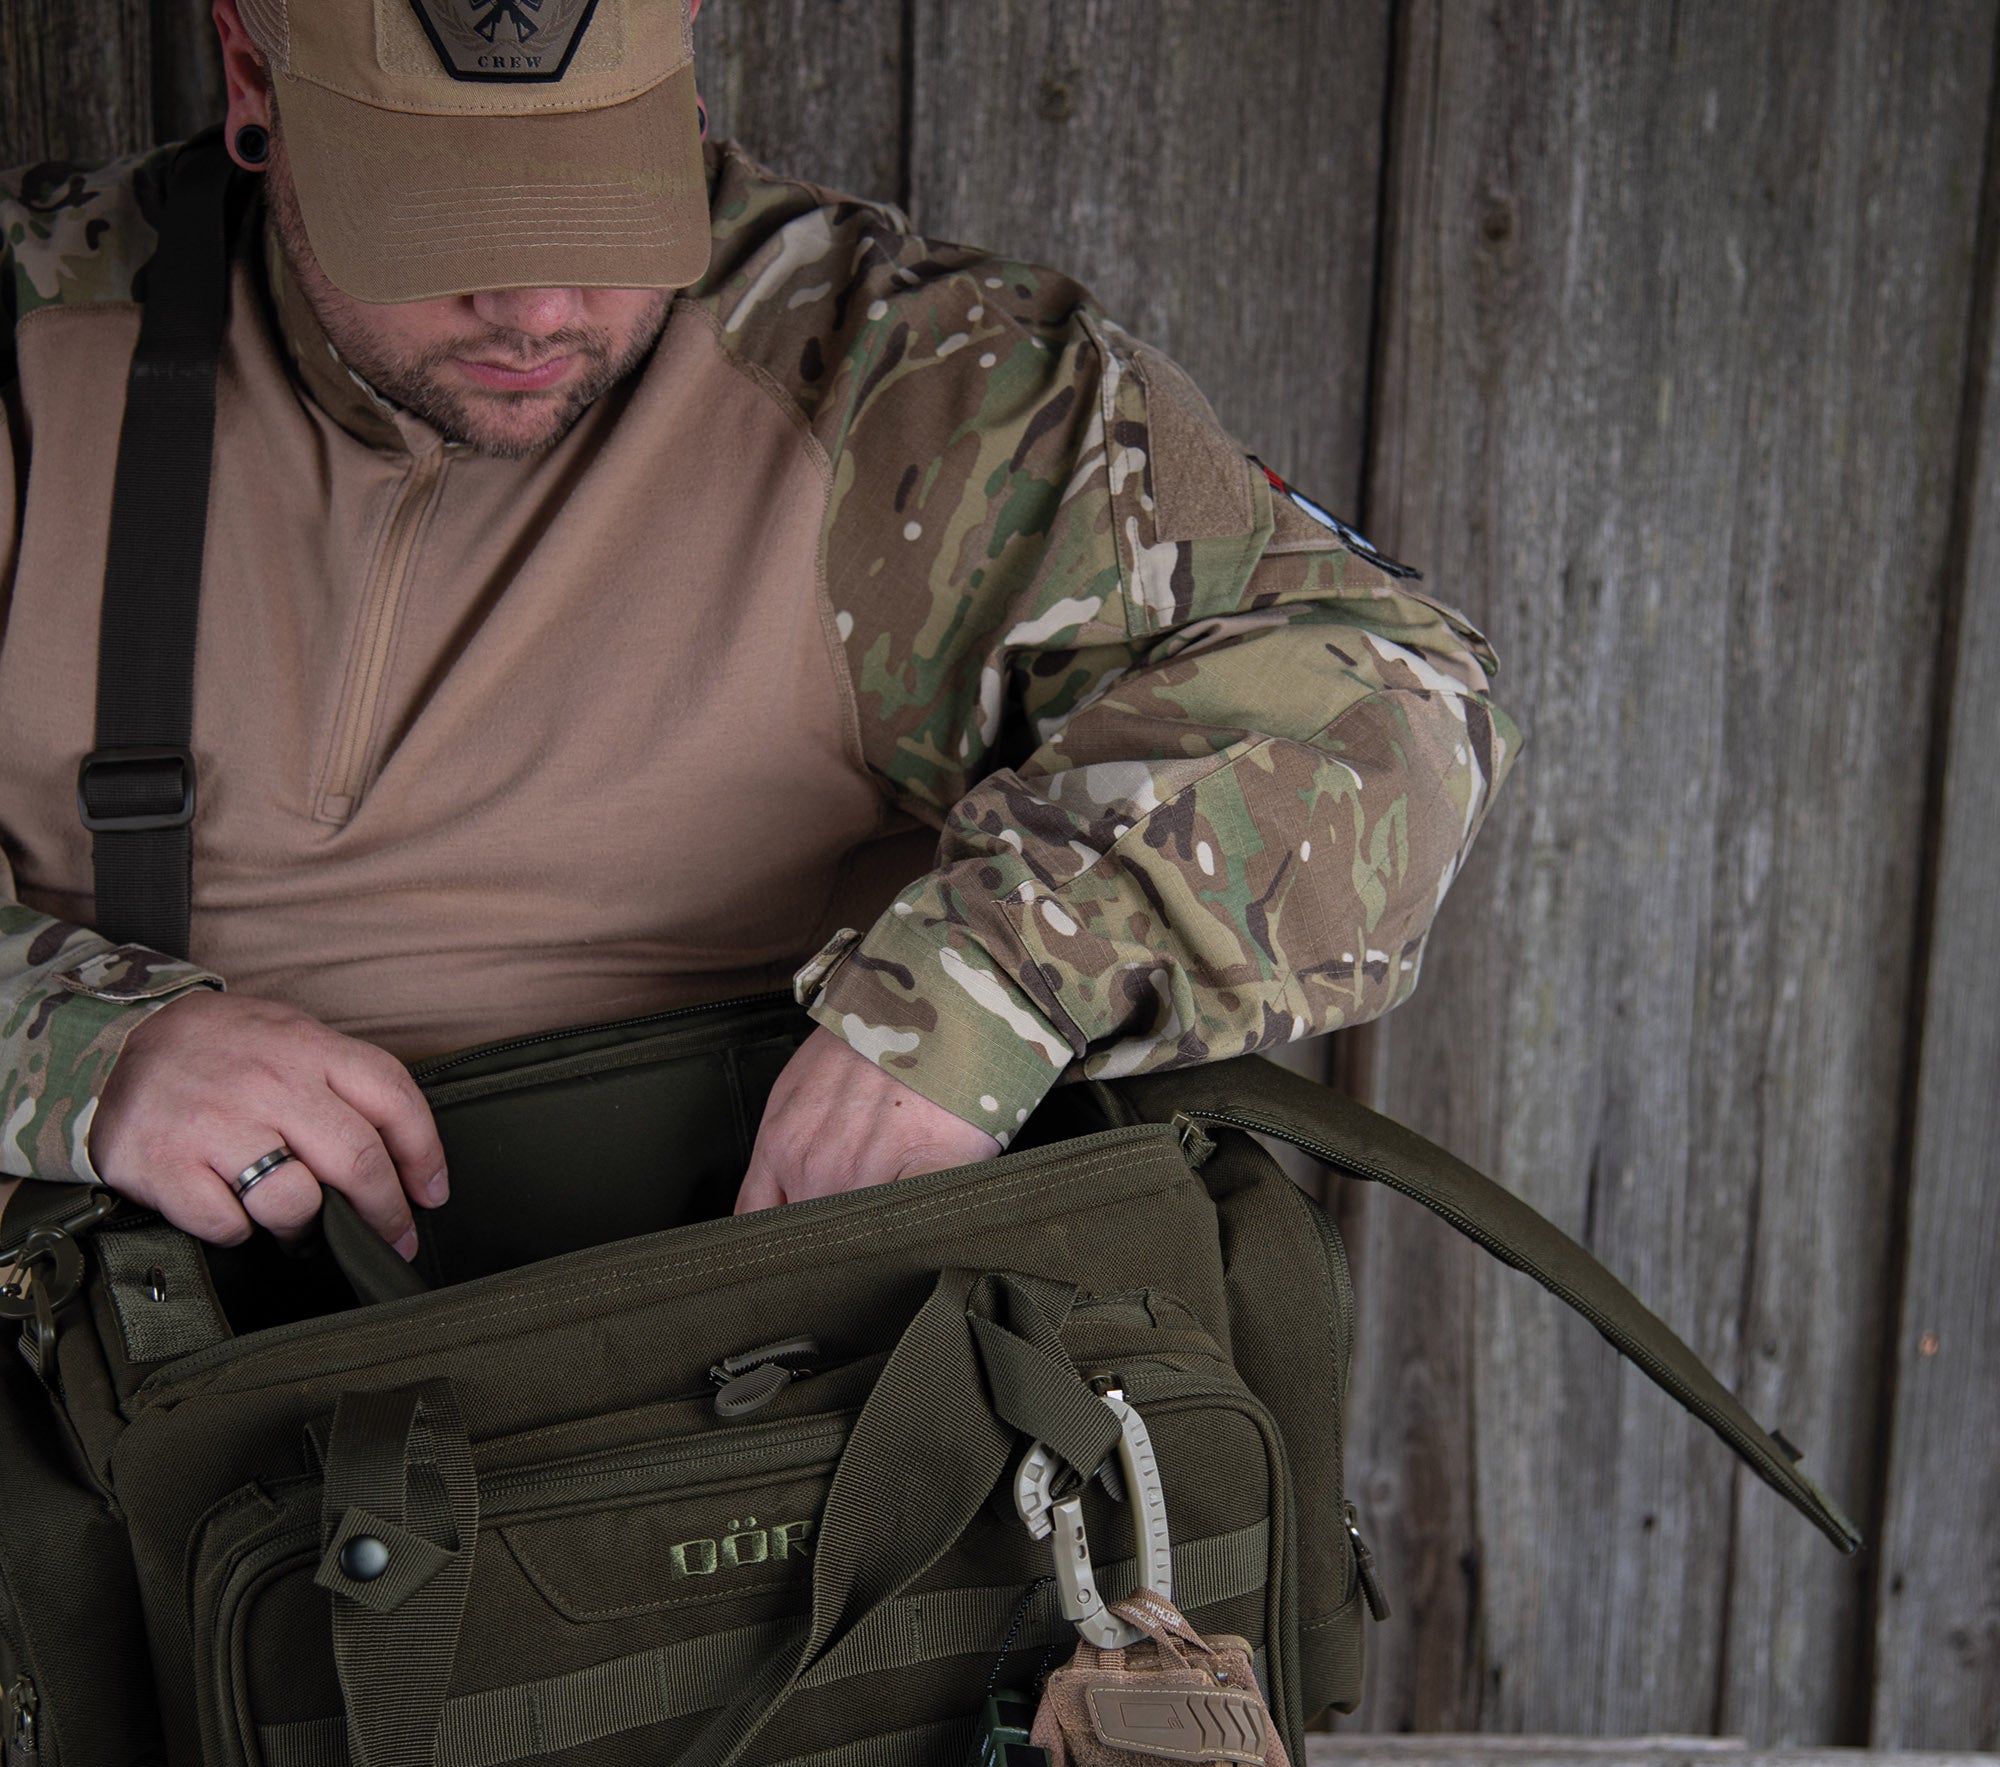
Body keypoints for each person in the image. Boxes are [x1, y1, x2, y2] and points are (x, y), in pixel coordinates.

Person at [0, 0, 1517, 1262]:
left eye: (598, 204)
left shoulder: (891, 387)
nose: (536, 307)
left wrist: (984, 996)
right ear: (253, 76)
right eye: (439, 219)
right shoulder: (36, 337)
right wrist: (75, 1050)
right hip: (128, 1366)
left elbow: (1391, 695)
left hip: (732, 1373)